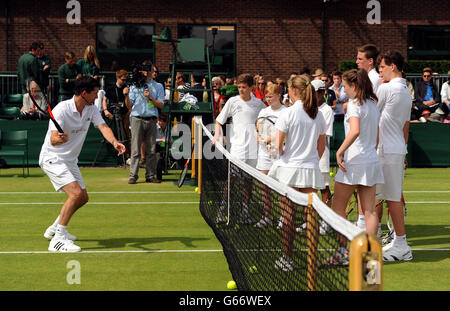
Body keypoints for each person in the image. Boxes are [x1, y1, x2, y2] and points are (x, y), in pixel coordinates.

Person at [40, 76, 126, 252]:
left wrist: (114, 142)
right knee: (76, 194)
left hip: (70, 160)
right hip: (53, 158)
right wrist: (59, 138)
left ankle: (55, 228)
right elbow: (53, 139)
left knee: (83, 198)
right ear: (84, 93)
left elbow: (103, 127)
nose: (97, 97)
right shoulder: (61, 110)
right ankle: (58, 239)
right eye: (94, 93)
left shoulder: (91, 108)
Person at [267, 75, 326, 271]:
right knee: (311, 217)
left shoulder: (288, 113)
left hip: (289, 171)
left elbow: (278, 145)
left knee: (288, 216)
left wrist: (281, 155)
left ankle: (287, 258)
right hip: (310, 170)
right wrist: (311, 159)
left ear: (293, 91)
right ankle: (312, 259)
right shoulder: (318, 115)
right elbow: (321, 146)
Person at [330, 69, 383, 265]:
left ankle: (343, 253)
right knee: (369, 211)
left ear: (354, 86)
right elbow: (376, 138)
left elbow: (355, 131)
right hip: (370, 160)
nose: (343, 90)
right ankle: (369, 257)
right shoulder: (373, 104)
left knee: (337, 209)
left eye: (345, 86)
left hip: (354, 162)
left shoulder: (354, 105)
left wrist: (339, 151)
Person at [213, 73, 266, 224]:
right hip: (237, 149)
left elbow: (266, 121)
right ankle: (221, 211)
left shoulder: (259, 104)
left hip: (253, 150)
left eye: (243, 87)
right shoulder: (232, 101)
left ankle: (245, 213)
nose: (241, 90)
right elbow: (218, 121)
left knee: (248, 182)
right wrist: (217, 136)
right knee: (231, 180)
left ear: (251, 88)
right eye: (239, 87)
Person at [376, 51, 413, 261]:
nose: (380, 71)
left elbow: (371, 114)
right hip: (395, 149)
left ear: (393, 66)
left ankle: (401, 245)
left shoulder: (386, 88)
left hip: (387, 151)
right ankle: (398, 242)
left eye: (382, 67)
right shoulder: (405, 91)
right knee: (389, 198)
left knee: (390, 199)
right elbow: (404, 125)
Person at [254, 84, 287, 228]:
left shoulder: (286, 112)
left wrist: (269, 141)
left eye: (271, 96)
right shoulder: (263, 111)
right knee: (264, 186)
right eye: (266, 96)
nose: (268, 99)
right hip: (264, 154)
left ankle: (283, 217)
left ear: (279, 95)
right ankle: (266, 216)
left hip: (281, 154)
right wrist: (261, 140)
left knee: (281, 187)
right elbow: (258, 129)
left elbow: (285, 133)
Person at [126, 61, 165, 184]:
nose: (144, 72)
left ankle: (150, 175)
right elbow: (129, 106)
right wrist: (126, 95)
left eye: (147, 69)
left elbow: (161, 104)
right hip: (137, 118)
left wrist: (150, 98)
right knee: (136, 149)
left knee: (151, 149)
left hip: (152, 119)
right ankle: (133, 175)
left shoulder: (158, 86)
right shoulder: (134, 86)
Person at [311, 79, 334, 206]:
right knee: (309, 189)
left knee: (324, 188)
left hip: (322, 154)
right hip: (309, 155)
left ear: (320, 93)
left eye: (313, 92)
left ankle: (326, 221)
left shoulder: (327, 111)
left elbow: (324, 135)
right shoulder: (308, 108)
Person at [103, 69, 131, 160]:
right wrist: (105, 110)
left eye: (125, 80)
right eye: (122, 79)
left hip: (124, 113)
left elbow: (128, 105)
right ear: (117, 78)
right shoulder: (110, 88)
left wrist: (126, 95)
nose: (124, 82)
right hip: (113, 114)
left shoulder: (126, 88)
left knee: (126, 134)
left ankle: (128, 156)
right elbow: (104, 100)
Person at [156, 113, 168, 181]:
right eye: (159, 120)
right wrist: (161, 140)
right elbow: (151, 140)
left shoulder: (169, 127)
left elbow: (171, 140)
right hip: (156, 147)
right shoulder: (155, 127)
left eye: (162, 121)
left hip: (165, 146)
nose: (159, 122)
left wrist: (169, 141)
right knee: (159, 158)